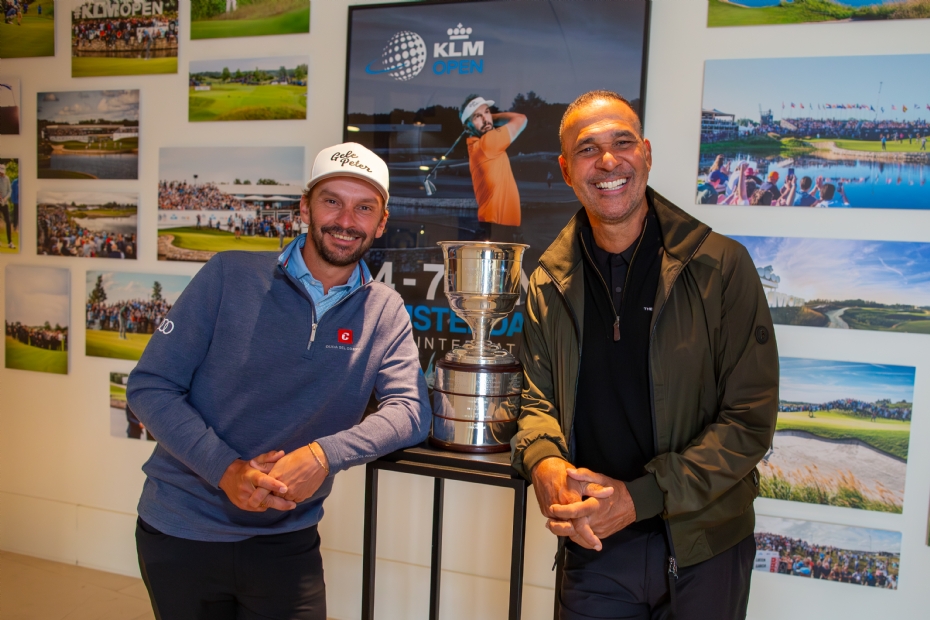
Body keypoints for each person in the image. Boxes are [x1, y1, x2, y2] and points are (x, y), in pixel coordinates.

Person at [128, 142, 430, 620]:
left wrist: (322, 456)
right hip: (182, 530)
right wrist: (226, 470)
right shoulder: (228, 275)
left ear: (382, 221)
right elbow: (150, 386)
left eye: (364, 207)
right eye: (332, 200)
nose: (346, 220)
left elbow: (411, 412)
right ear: (305, 206)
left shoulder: (385, 310)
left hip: (285, 538)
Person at [511, 91, 778, 620]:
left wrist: (643, 496)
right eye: (588, 149)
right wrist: (542, 461)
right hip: (595, 551)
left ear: (647, 154)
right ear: (566, 170)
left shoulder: (722, 267)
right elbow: (534, 400)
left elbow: (749, 422)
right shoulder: (547, 281)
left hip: (705, 545)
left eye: (622, 142)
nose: (608, 161)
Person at [460, 95, 527, 227]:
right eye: (477, 116)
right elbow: (521, 119)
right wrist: (492, 118)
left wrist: (484, 119)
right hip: (498, 227)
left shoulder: (476, 146)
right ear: (467, 127)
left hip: (494, 225)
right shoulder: (487, 144)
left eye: (486, 112)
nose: (485, 119)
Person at [0, 164, 14, 249]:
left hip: (5, 203)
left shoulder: (7, 178)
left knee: (8, 222)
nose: (1, 173)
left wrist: (5, 199)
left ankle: (10, 242)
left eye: (2, 172)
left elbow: (10, 191)